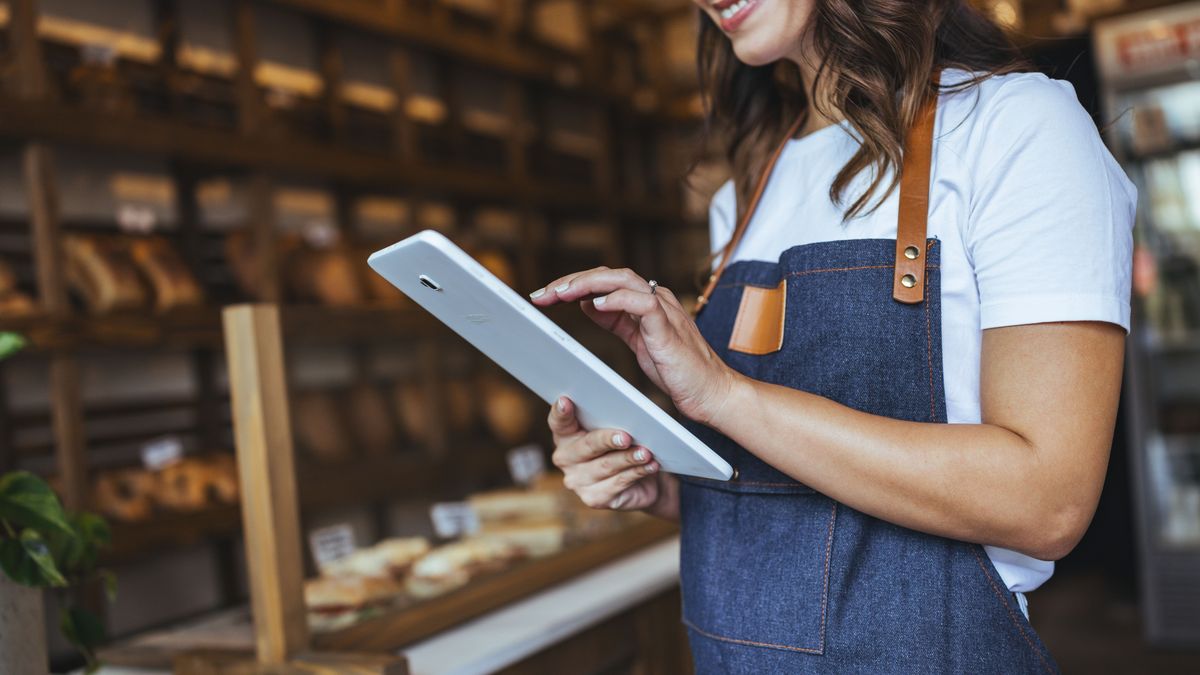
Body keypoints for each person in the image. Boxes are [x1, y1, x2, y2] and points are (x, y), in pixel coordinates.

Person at [529, 0, 1135, 672]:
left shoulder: (1017, 127)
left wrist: (726, 395)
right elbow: (804, 517)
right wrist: (665, 484)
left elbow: (1048, 501)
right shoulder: (746, 192)